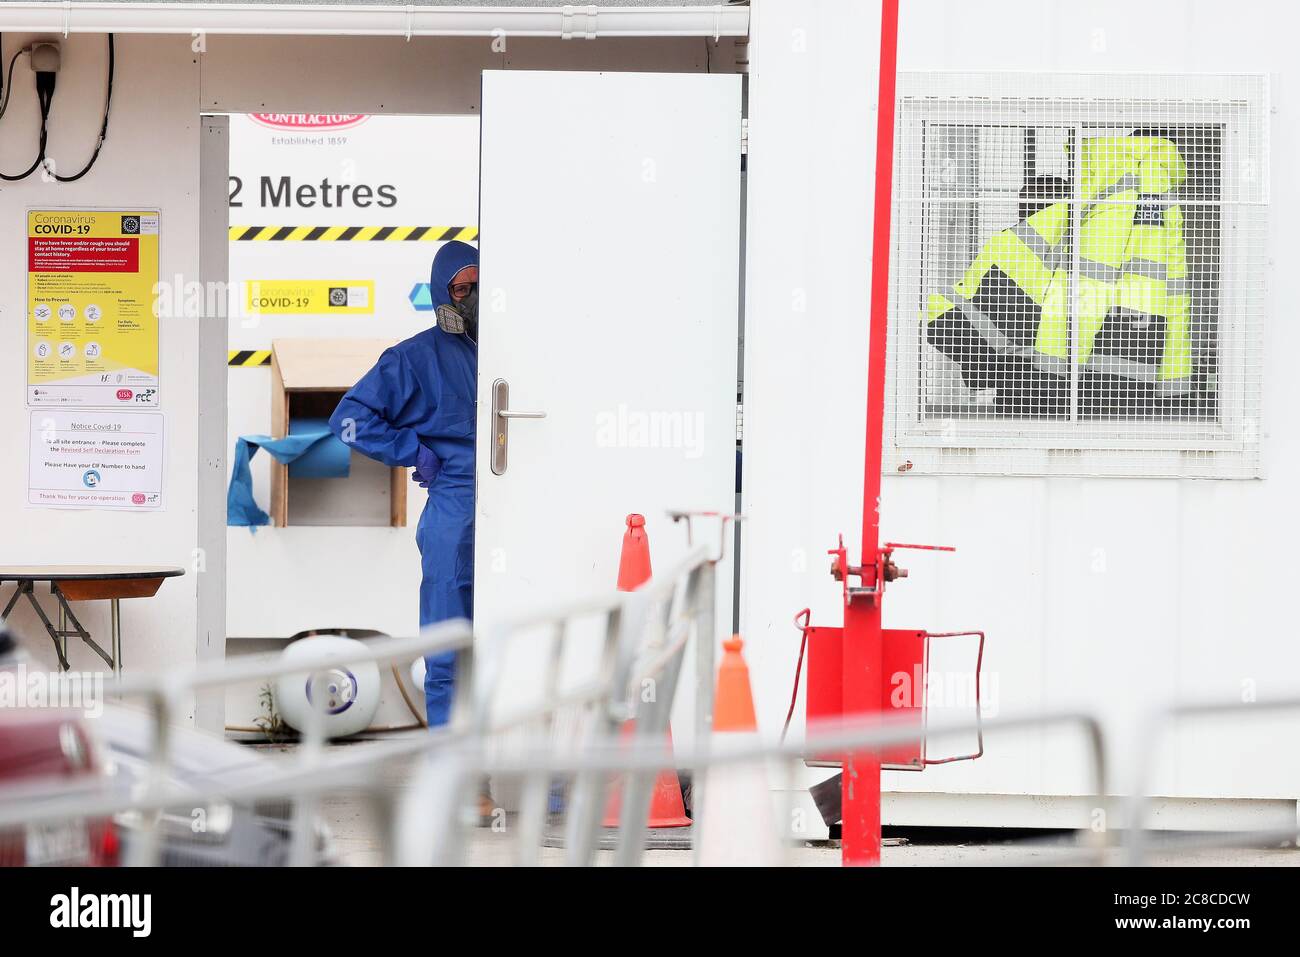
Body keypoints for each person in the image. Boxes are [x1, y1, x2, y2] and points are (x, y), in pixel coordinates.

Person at [329, 241, 479, 731]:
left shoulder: (513, 351)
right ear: (441, 293)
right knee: (446, 640)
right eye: (460, 288)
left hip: (519, 500)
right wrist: (413, 451)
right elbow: (348, 420)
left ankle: (540, 768)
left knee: (522, 631)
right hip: (455, 508)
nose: (470, 299)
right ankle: (450, 767)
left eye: (479, 288)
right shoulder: (414, 357)